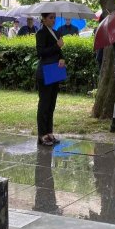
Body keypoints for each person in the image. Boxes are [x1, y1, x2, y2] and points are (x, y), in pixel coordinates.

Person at [35, 12, 65, 146]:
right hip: (45, 70)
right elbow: (41, 53)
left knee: (52, 103)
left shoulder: (56, 32)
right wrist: (56, 46)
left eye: (54, 17)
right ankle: (42, 135)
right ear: (44, 19)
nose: (53, 20)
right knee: (44, 103)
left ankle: (49, 132)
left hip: (55, 70)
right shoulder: (41, 33)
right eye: (51, 18)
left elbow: (60, 53)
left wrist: (62, 58)